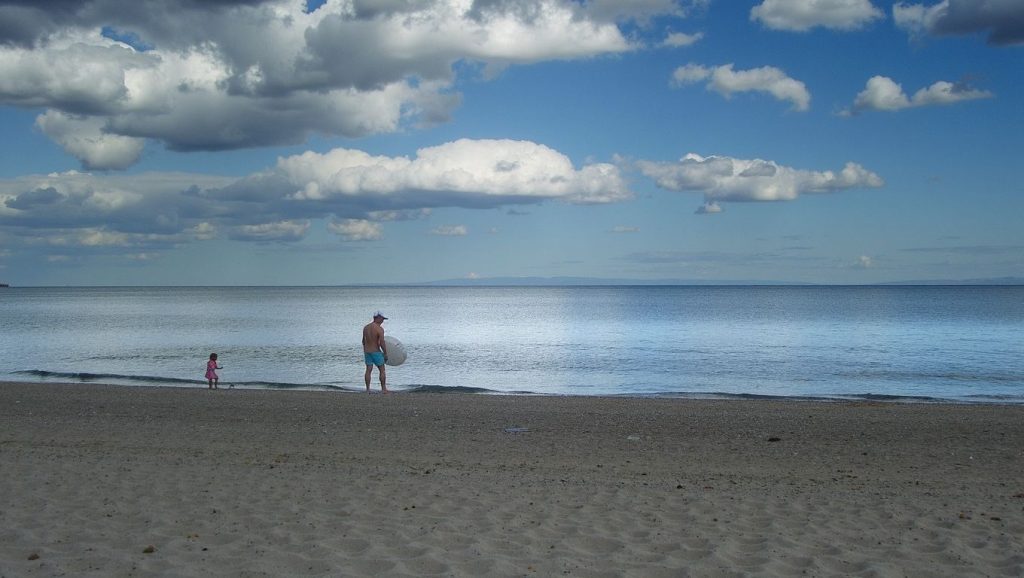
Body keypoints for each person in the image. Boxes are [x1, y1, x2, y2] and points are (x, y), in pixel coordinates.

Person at [362, 311, 389, 393]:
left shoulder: (366, 327)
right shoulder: (379, 329)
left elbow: (363, 341)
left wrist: (366, 349)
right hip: (376, 352)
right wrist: (385, 353)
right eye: (382, 319)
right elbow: (382, 342)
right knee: (382, 370)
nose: (383, 321)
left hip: (367, 352)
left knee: (368, 370)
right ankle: (384, 389)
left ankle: (367, 389)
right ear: (378, 318)